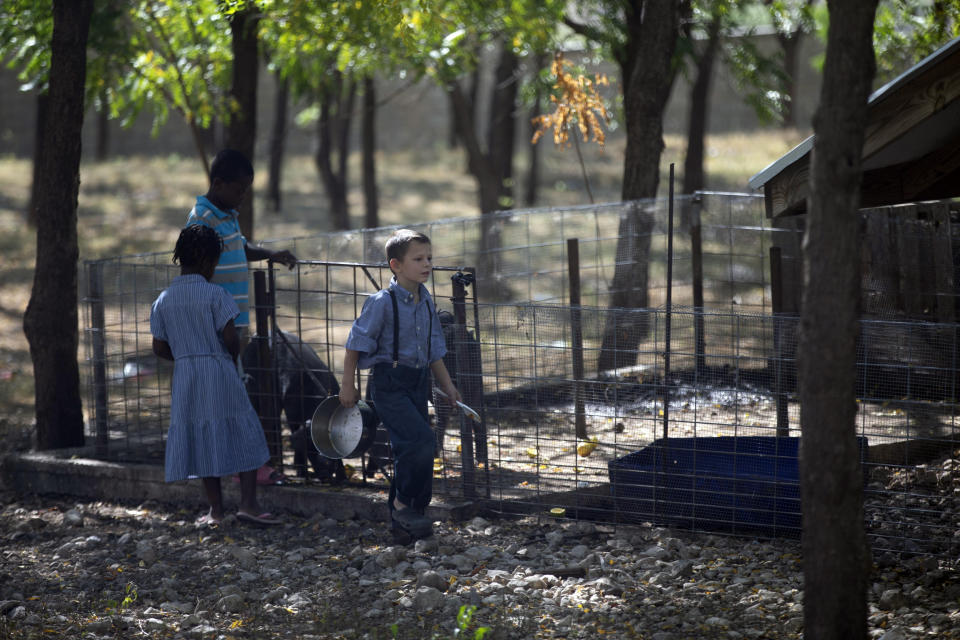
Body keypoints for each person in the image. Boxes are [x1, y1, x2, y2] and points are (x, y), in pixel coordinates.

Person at [150, 224, 281, 526]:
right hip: (219, 369)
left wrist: (183, 357)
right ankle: (248, 504)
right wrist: (226, 357)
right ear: (210, 261)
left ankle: (216, 511)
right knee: (242, 430)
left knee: (201, 435)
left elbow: (158, 346)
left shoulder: (164, 300)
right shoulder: (216, 294)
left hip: (186, 377)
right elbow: (231, 337)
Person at [339, 229, 461, 541]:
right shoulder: (382, 302)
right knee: (419, 441)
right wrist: (348, 385)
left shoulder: (426, 300)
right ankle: (403, 502)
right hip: (389, 383)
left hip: (417, 382)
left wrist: (447, 386)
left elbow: (433, 350)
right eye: (418, 259)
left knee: (412, 447)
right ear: (396, 265)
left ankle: (408, 520)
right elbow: (355, 344)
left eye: (429, 258)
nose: (427, 264)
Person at [185, 148, 296, 485]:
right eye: (239, 190)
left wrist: (270, 255)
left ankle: (229, 463)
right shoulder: (201, 220)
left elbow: (241, 247)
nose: (243, 197)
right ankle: (239, 464)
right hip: (218, 327)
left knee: (232, 394)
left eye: (247, 190)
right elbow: (194, 276)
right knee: (231, 398)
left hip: (236, 324)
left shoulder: (228, 215)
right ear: (218, 183)